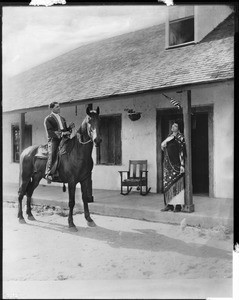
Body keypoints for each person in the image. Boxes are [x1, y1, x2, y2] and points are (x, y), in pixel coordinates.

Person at [44, 101, 75, 183]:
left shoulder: (62, 119)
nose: (59, 108)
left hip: (64, 139)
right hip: (54, 139)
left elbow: (64, 130)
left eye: (59, 106)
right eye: (57, 107)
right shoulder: (48, 119)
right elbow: (50, 132)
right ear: (52, 108)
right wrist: (62, 133)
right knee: (53, 152)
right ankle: (49, 173)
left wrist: (69, 128)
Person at [161, 121, 186, 212]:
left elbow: (182, 152)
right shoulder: (169, 137)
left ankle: (178, 206)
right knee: (168, 184)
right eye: (172, 125)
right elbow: (163, 148)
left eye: (175, 126)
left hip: (176, 164)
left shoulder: (180, 138)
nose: (173, 127)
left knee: (177, 185)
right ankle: (170, 205)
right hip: (168, 165)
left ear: (179, 128)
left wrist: (182, 165)